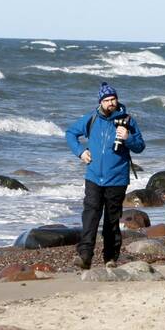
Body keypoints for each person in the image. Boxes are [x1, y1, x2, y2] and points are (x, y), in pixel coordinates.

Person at [65, 82, 145, 269]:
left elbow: (140, 146)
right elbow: (70, 133)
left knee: (111, 219)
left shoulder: (127, 120)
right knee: (90, 216)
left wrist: (128, 138)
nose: (111, 103)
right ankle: (84, 257)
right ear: (100, 102)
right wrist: (80, 152)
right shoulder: (92, 119)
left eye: (113, 99)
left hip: (117, 178)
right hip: (93, 176)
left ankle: (110, 258)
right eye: (107, 100)